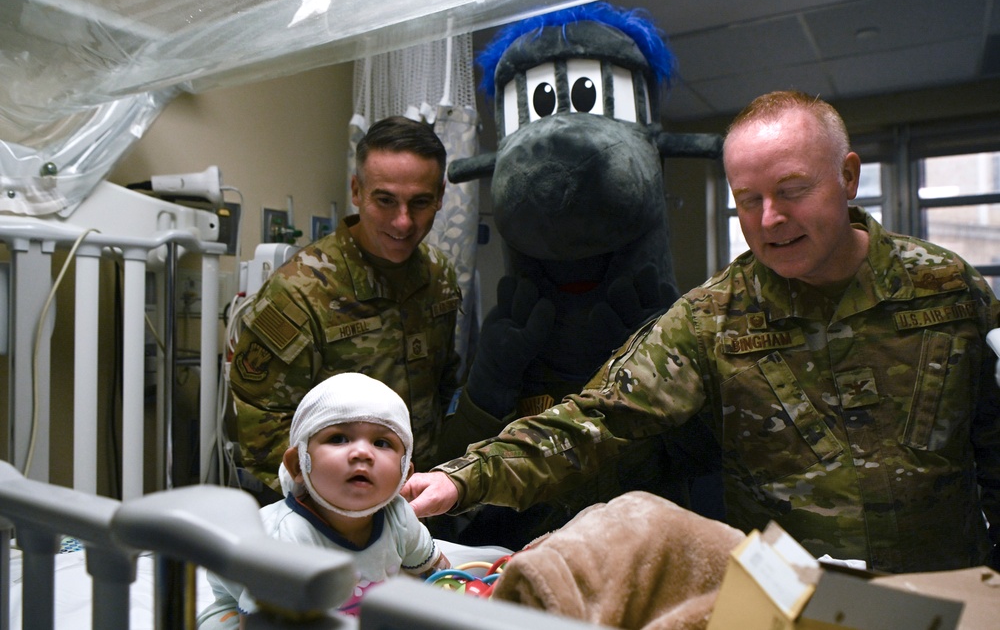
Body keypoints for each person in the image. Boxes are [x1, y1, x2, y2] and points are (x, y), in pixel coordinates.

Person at [402, 90, 1000, 574]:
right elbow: (598, 420)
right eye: (748, 201)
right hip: (783, 599)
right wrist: (465, 476)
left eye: (792, 190)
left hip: (944, 590)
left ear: (847, 176)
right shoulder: (714, 317)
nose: (770, 220)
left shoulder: (948, 289)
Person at [230, 116, 463, 496]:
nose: (403, 222)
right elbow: (262, 430)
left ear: (439, 197)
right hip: (327, 513)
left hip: (417, 500)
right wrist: (348, 508)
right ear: (357, 191)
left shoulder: (438, 275)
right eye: (385, 200)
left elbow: (442, 384)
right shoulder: (300, 291)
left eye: (420, 203)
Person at [199, 372, 450, 628]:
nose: (362, 452)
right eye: (338, 438)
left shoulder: (400, 517)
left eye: (382, 442)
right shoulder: (285, 540)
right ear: (299, 465)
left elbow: (437, 573)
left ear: (404, 474)